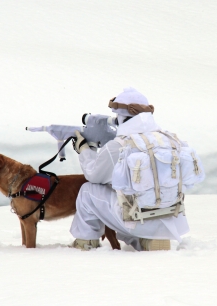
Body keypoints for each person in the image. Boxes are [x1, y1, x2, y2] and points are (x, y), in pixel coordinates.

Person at [70, 87, 191, 251]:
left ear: (122, 116)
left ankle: (86, 242)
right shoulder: (169, 139)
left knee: (87, 191)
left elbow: (94, 176)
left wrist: (85, 150)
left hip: (136, 219)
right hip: (170, 218)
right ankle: (148, 240)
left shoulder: (119, 145)